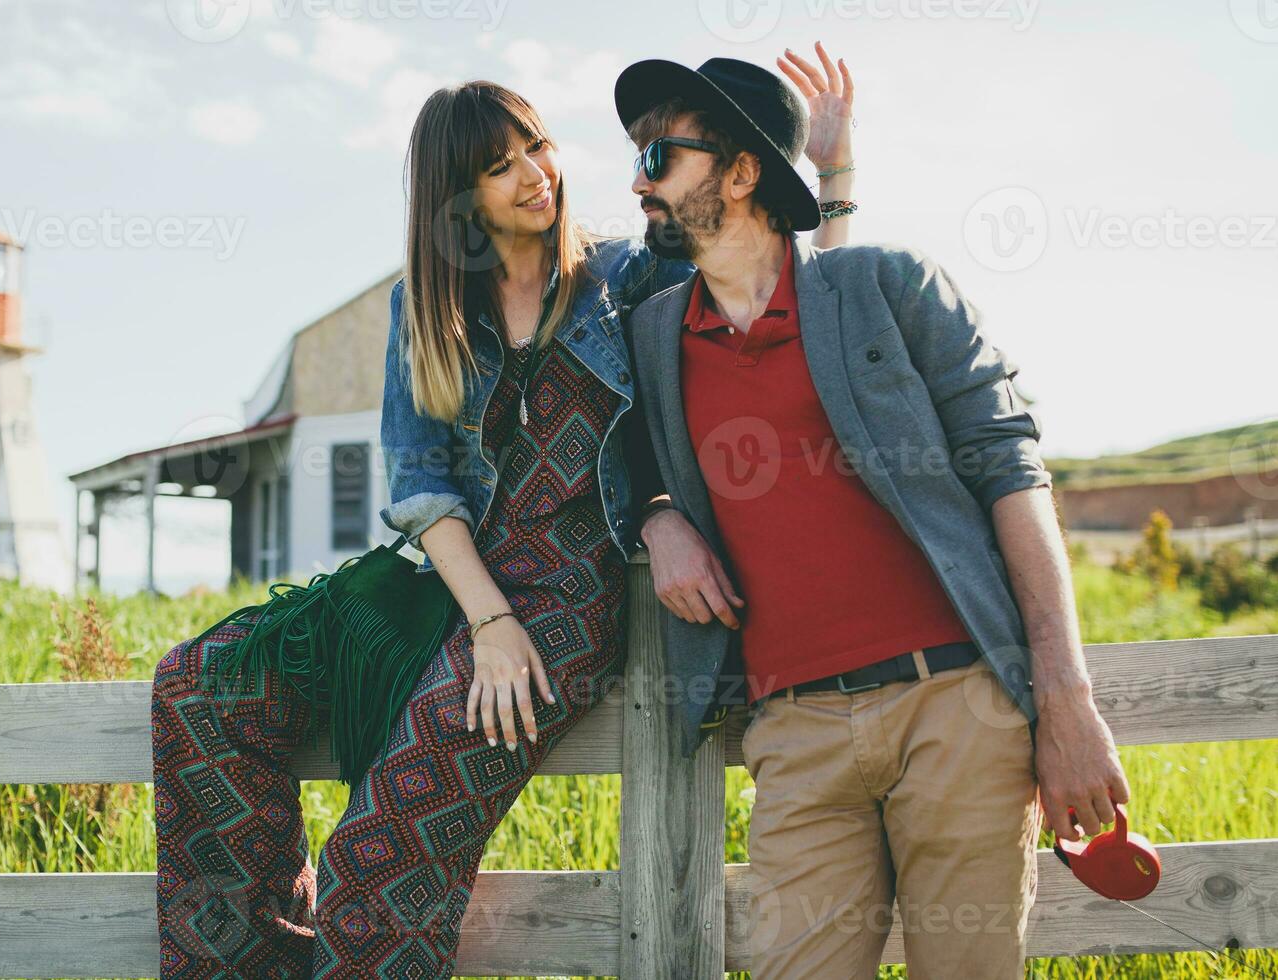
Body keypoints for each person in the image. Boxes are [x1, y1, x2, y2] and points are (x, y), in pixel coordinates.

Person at [150, 44, 858, 978]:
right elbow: (421, 481)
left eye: (538, 147)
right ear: (457, 199)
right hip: (448, 587)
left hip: (571, 601)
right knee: (198, 688)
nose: (536, 176)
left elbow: (784, 298)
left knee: (373, 862)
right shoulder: (426, 306)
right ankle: (254, 958)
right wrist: (487, 618)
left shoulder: (628, 276)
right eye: (499, 166)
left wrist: (833, 175)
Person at [616, 56, 1132, 977]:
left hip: (958, 710)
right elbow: (615, 470)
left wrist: (1065, 702)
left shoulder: (892, 288)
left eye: (660, 154)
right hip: (795, 736)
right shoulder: (650, 336)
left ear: (740, 174)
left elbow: (1013, 472)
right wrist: (657, 518)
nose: (638, 179)